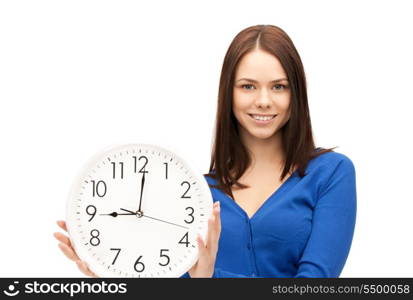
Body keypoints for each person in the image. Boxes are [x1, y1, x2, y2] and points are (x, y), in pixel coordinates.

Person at [54, 24, 357, 278]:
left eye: (279, 86)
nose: (264, 100)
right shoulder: (197, 194)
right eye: (248, 86)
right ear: (229, 92)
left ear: (297, 93)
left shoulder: (331, 173)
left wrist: (209, 278)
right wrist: (114, 276)